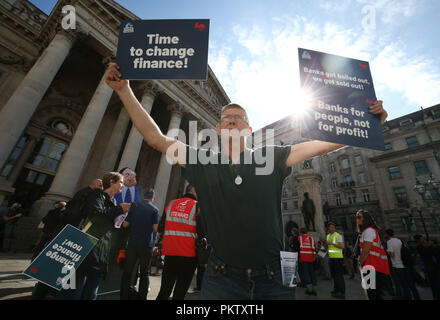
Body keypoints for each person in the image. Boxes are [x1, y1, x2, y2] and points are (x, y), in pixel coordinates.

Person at [104, 61, 388, 299]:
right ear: (217, 128)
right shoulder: (202, 161)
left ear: (249, 129)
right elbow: (157, 139)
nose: (231, 120)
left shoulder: (272, 156)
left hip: (273, 276)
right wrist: (124, 89)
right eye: (226, 117)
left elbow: (320, 145)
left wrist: (368, 123)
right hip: (221, 276)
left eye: (238, 118)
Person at [58, 172, 130, 300]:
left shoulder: (112, 202)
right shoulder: (97, 195)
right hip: (85, 252)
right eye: (121, 182)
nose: (123, 186)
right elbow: (96, 216)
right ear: (112, 182)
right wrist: (119, 209)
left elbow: (109, 227)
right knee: (74, 292)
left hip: (100, 256)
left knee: (91, 295)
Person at [156, 185, 199, 300]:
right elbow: (203, 231)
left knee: (164, 290)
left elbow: (160, 228)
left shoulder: (171, 204)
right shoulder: (198, 207)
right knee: (180, 293)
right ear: (193, 191)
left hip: (170, 252)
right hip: (189, 255)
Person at [120, 188, 159, 300]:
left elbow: (126, 224)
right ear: (152, 198)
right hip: (146, 244)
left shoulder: (135, 206)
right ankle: (142, 297)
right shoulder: (154, 209)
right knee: (144, 273)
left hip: (132, 243)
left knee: (128, 271)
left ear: (144, 196)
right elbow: (155, 228)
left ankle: (124, 296)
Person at [356, 210, 390, 300]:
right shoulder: (369, 231)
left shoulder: (368, 231)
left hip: (371, 266)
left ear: (365, 219)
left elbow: (366, 250)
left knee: (373, 294)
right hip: (373, 265)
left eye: (359, 217)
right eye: (357, 217)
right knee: (375, 293)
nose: (357, 219)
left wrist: (360, 262)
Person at [385, 229, 420, 300]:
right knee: (411, 284)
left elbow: (392, 255)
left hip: (397, 266)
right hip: (405, 265)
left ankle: (408, 297)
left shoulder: (389, 242)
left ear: (387, 234)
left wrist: (387, 252)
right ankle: (417, 297)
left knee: (404, 285)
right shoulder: (399, 240)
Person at [322, 222, 346, 299]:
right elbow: (327, 246)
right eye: (331, 227)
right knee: (334, 275)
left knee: (339, 276)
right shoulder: (328, 236)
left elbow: (342, 246)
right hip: (332, 258)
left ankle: (341, 292)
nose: (332, 228)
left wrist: (331, 243)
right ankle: (336, 290)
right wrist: (324, 243)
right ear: (328, 228)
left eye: (333, 227)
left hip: (338, 258)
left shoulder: (338, 235)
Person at [414, 234, 440, 300]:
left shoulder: (423, 246)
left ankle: (437, 294)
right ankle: (436, 295)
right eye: (422, 239)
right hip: (430, 266)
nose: (423, 240)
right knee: (434, 282)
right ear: (418, 240)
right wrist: (430, 246)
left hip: (433, 266)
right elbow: (428, 253)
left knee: (436, 281)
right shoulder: (419, 247)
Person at [298, 227, 317, 295]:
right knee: (312, 272)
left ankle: (309, 289)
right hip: (311, 258)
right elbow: (314, 248)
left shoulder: (299, 238)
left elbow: (298, 248)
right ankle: (314, 288)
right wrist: (314, 257)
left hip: (304, 258)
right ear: (307, 232)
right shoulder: (311, 239)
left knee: (306, 273)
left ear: (301, 232)